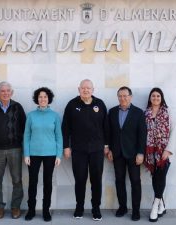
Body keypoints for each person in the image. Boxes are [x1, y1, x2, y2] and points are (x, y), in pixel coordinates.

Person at [62, 79, 109, 221]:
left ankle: (96, 209)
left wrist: (106, 146)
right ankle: (79, 208)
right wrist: (66, 146)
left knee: (96, 180)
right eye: (83, 88)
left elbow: (105, 126)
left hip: (96, 150)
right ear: (79, 89)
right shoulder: (72, 104)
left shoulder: (99, 104)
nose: (86, 90)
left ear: (93, 89)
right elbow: (65, 127)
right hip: (78, 150)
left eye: (88, 88)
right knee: (80, 180)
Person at [0, 81, 26, 219]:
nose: (5, 93)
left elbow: (23, 126)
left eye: (8, 90)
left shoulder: (18, 107)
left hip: (15, 149)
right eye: (3, 91)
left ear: (12, 92)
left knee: (17, 179)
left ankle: (15, 207)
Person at [23, 87, 63, 222]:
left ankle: (46, 210)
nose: (42, 99)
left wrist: (58, 155)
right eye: (40, 97)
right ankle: (31, 210)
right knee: (32, 182)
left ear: (49, 99)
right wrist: (26, 154)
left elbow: (59, 136)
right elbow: (26, 135)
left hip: (50, 154)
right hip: (33, 154)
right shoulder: (31, 115)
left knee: (47, 182)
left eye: (45, 97)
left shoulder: (55, 116)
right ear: (37, 99)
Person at [108, 86, 147, 221]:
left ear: (130, 97)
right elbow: (109, 133)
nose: (123, 98)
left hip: (133, 154)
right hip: (117, 153)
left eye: (125, 96)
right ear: (118, 97)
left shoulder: (138, 113)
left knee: (135, 181)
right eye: (120, 96)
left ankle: (136, 210)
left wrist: (141, 153)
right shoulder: (112, 112)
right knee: (119, 181)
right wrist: (110, 149)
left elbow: (142, 135)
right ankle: (122, 207)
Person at [144, 87, 176, 222]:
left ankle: (155, 204)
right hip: (150, 152)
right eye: (153, 96)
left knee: (161, 177)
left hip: (164, 152)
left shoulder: (168, 112)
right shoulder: (145, 113)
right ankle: (162, 205)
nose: (156, 98)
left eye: (158, 96)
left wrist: (168, 150)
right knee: (155, 178)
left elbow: (174, 129)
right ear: (150, 98)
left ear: (161, 98)